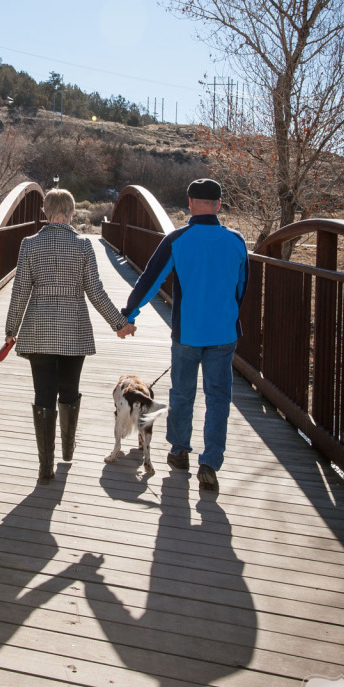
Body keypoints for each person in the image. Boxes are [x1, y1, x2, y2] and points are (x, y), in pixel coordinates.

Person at [118, 178, 248, 491]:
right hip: (223, 332)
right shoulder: (236, 241)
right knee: (218, 397)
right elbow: (242, 288)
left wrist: (128, 315)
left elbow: (150, 281)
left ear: (190, 204)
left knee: (182, 392)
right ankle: (210, 461)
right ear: (218, 205)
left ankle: (179, 450)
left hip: (187, 332)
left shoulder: (178, 239)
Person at [5, 188, 133, 483]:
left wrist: (11, 331)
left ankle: (45, 466)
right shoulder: (83, 246)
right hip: (74, 331)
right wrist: (119, 323)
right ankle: (67, 450)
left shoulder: (30, 245)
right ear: (72, 213)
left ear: (45, 213)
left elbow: (20, 291)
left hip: (37, 331)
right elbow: (96, 292)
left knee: (43, 395)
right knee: (69, 390)